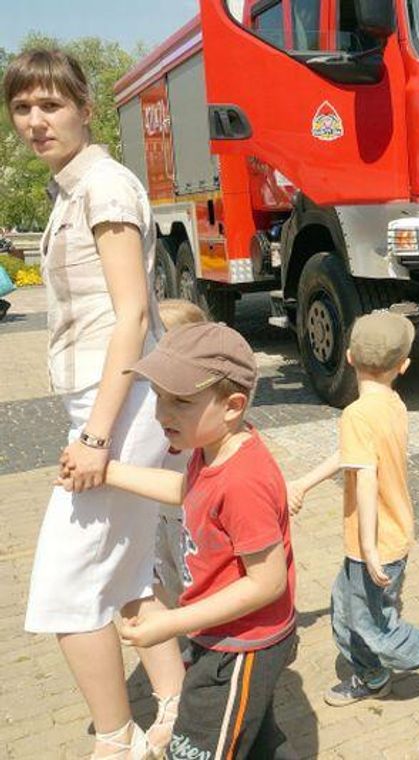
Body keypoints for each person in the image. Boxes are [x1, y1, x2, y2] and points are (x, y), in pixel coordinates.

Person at [10, 48, 185, 758]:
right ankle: (176, 702)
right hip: (111, 397)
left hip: (117, 403)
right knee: (128, 562)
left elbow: (132, 314)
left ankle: (118, 740)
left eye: (50, 105)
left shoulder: (104, 189)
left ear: (84, 107)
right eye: (22, 108)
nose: (35, 121)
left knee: (64, 586)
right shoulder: (73, 188)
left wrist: (94, 438)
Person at [59, 322, 298, 759]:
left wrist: (170, 623)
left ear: (233, 406)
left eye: (181, 402)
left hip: (242, 645)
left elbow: (268, 584)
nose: (161, 414)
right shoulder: (210, 451)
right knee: (251, 737)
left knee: (195, 747)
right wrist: (108, 473)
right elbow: (185, 493)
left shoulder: (243, 479)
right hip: (220, 635)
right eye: (159, 396)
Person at [287, 311, 419, 709]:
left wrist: (368, 548)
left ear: (348, 356)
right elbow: (352, 456)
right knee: (347, 613)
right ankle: (372, 676)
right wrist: (304, 483)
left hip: (377, 543)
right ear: (403, 366)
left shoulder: (357, 414)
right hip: (377, 539)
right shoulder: (392, 403)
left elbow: (365, 480)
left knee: (377, 629)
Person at [152, 299, 207, 609]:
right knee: (167, 581)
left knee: (193, 584)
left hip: (190, 522)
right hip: (158, 516)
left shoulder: (199, 406)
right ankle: (182, 643)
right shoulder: (155, 398)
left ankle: (200, 640)